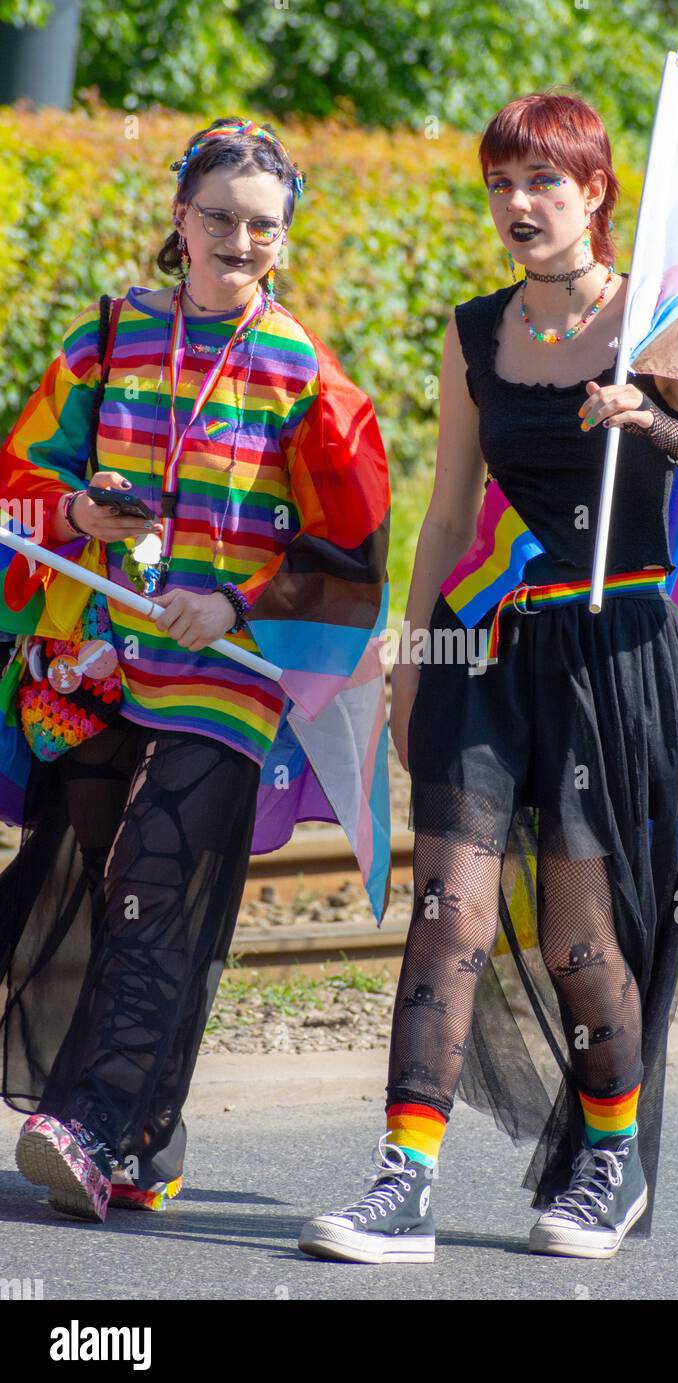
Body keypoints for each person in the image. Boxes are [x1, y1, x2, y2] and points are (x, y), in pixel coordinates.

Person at [299, 91, 678, 1264]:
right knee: (445, 912)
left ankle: (607, 1161)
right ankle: (401, 1178)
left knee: (577, 940)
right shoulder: (472, 331)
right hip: (489, 652)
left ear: (596, 196)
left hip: (613, 659)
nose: (518, 207)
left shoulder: (662, 325)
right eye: (500, 185)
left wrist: (666, 430)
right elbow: (446, 510)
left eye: (543, 186)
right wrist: (412, 657)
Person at [0, 117, 390, 1223]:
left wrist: (235, 600)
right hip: (96, 658)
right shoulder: (103, 339)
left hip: (225, 669)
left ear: (284, 237)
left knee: (154, 881)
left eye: (262, 225)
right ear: (179, 220)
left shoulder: (307, 375)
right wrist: (74, 508)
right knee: (89, 873)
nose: (239, 238)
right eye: (218, 216)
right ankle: (148, 1135)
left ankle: (84, 1120)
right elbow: (19, 471)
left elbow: (349, 545)